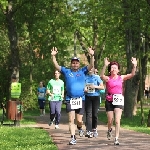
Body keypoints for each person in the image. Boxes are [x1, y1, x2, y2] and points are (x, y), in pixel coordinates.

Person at [51, 46, 94, 145]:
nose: (75, 64)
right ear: (71, 64)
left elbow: (91, 65)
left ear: (79, 64)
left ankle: (79, 128)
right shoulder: (67, 71)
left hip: (81, 99)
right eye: (73, 63)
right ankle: (73, 137)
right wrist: (53, 56)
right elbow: (56, 66)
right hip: (70, 99)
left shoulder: (83, 71)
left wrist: (92, 55)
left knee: (79, 121)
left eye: (76, 63)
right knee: (71, 119)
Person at [100, 57, 137, 145]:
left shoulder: (121, 77)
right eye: (112, 67)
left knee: (117, 120)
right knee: (110, 120)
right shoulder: (108, 78)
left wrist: (134, 65)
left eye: (115, 67)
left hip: (119, 101)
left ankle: (116, 138)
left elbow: (132, 74)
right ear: (110, 70)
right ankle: (109, 130)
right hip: (109, 101)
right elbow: (101, 76)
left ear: (118, 69)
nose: (114, 69)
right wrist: (105, 65)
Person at [84, 68, 104, 138]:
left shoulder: (97, 77)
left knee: (94, 114)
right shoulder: (85, 77)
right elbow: (83, 87)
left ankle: (94, 128)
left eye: (91, 69)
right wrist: (85, 89)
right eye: (89, 69)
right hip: (87, 97)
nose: (90, 70)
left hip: (96, 97)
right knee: (88, 114)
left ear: (93, 70)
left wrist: (95, 86)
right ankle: (89, 130)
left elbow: (102, 87)